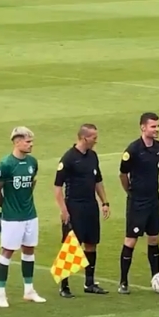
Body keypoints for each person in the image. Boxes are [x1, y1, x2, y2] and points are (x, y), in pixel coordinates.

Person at [54, 124, 111, 298]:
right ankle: (64, 286)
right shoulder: (69, 158)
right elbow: (57, 187)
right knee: (71, 245)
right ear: (84, 138)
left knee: (91, 242)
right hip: (74, 206)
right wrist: (64, 210)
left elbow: (98, 181)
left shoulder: (93, 156)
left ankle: (89, 282)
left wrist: (105, 202)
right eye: (94, 137)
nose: (96, 140)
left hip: (90, 205)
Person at [0, 127, 45, 307]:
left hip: (30, 214)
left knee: (29, 250)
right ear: (16, 142)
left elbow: (31, 184)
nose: (31, 144)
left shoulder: (32, 162)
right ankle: (1, 294)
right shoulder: (5, 164)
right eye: (27, 141)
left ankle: (29, 290)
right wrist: (7, 207)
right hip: (12, 217)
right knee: (7, 252)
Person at [117, 112, 159, 294]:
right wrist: (130, 190)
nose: (157, 130)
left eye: (158, 126)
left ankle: (156, 278)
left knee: (154, 238)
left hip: (154, 199)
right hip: (137, 201)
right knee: (131, 240)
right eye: (153, 126)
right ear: (143, 127)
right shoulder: (133, 150)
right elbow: (123, 174)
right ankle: (123, 282)